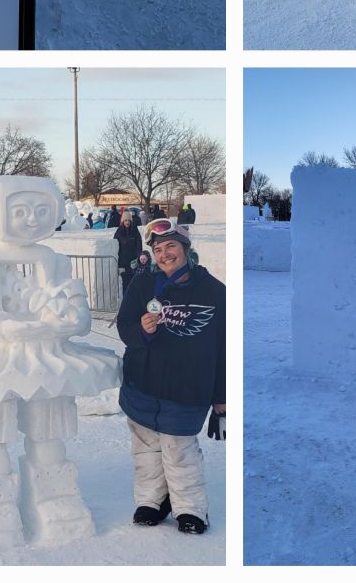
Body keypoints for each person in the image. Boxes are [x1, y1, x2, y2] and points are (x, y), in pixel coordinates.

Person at [117, 220, 225, 534]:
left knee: (180, 452)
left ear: (186, 249)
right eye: (159, 249)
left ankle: (190, 509)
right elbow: (125, 328)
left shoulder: (215, 292)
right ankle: (151, 501)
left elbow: (224, 348)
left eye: (171, 247)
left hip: (186, 390)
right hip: (142, 386)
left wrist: (221, 397)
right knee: (146, 450)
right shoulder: (141, 286)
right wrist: (142, 331)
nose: (165, 255)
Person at [115, 211, 144, 296]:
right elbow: (115, 246)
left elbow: (139, 245)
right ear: (122, 221)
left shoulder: (135, 230)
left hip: (133, 262)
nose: (127, 222)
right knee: (125, 284)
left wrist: (137, 258)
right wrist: (119, 264)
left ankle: (133, 301)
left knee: (133, 283)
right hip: (123, 262)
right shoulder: (119, 231)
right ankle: (126, 302)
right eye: (125, 220)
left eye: (128, 220)